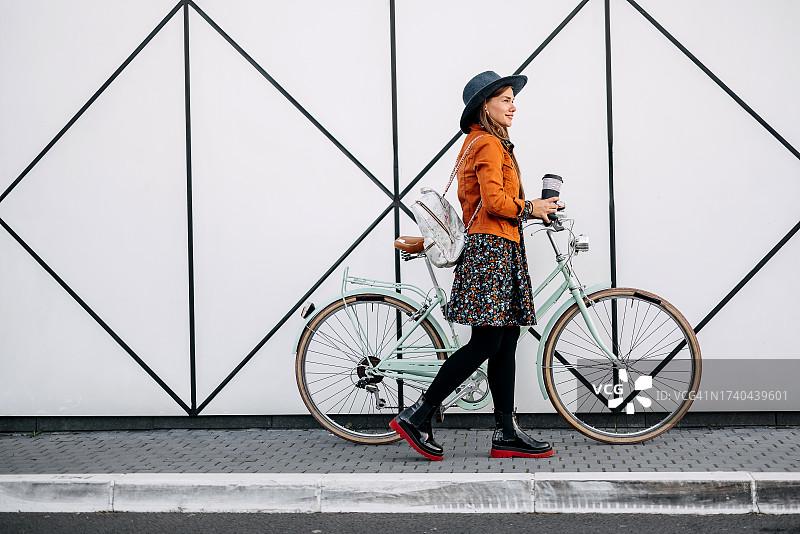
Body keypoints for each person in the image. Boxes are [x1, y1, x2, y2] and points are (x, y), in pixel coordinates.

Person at [390, 71, 560, 461]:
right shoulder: (485, 143)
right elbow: (496, 202)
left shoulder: (490, 142)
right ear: (485, 105)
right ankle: (418, 414)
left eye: (512, 98)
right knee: (487, 341)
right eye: (504, 99)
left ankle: (505, 432)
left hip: (503, 246)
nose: (513, 105)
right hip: (491, 250)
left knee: (506, 339)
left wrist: (535, 211)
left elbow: (500, 203)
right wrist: (532, 207)